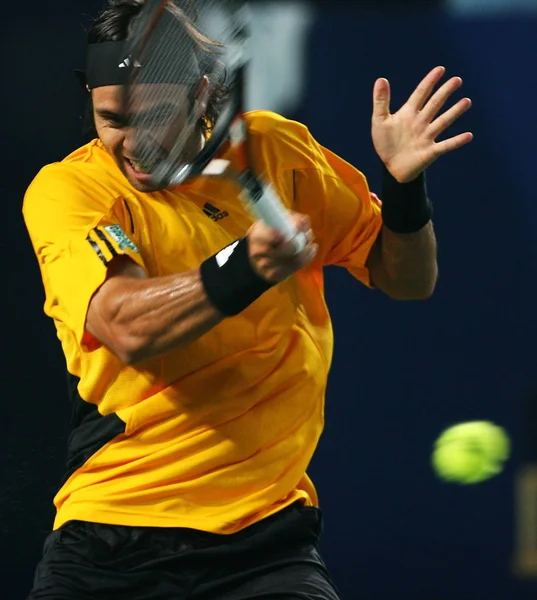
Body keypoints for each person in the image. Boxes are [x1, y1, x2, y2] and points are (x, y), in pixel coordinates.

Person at [23, 1, 473, 598]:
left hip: (267, 544)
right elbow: (124, 324)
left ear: (201, 93)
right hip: (113, 538)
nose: (134, 143)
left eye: (155, 116)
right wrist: (244, 266)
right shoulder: (69, 190)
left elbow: (406, 278)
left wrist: (405, 188)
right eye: (112, 119)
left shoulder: (278, 152)